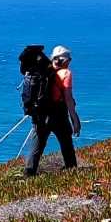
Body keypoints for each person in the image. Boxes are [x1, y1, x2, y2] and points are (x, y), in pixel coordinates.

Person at [20, 45, 77, 175]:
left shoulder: (44, 72)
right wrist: (74, 118)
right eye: (69, 59)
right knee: (66, 142)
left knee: (37, 145)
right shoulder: (65, 73)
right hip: (58, 112)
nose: (70, 61)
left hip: (40, 112)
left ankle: (28, 173)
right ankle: (72, 170)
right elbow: (68, 99)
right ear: (63, 60)